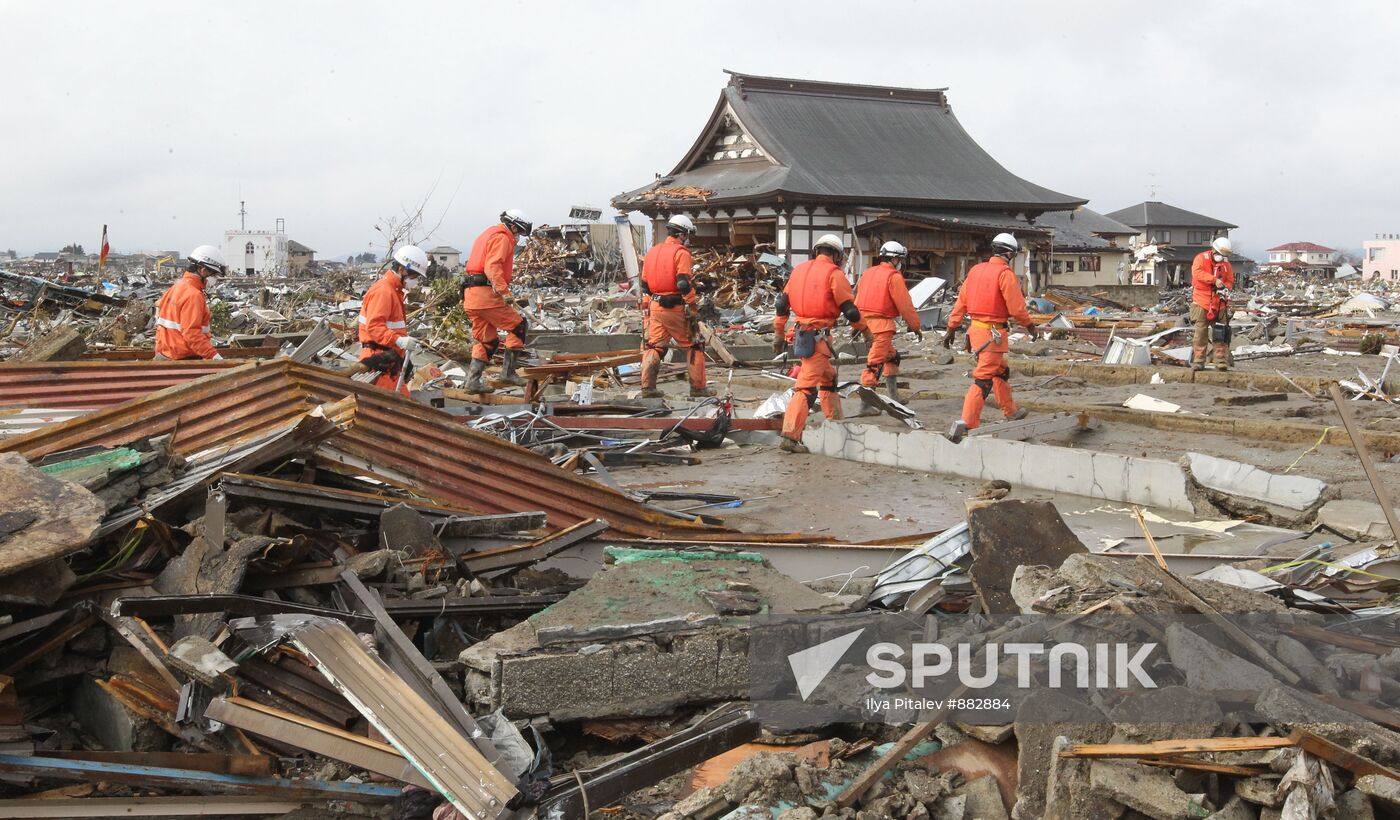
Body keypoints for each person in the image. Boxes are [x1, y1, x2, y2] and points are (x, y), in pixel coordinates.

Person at [772, 234, 866, 454]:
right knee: (805, 387)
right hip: (818, 338)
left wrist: (778, 333)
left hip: (801, 334)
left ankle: (835, 419)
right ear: (835, 255)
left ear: (817, 251)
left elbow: (781, 305)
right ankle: (790, 436)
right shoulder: (834, 274)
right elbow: (850, 310)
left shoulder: (798, 271)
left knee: (828, 376)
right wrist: (866, 330)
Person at [943, 233, 1036, 442]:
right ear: (1009, 253)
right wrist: (1030, 326)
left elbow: (961, 303)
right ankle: (968, 423)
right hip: (993, 334)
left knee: (1000, 371)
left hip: (976, 332)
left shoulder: (975, 271)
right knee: (983, 380)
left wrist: (951, 328)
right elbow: (1016, 308)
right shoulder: (1005, 274)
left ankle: (1010, 411)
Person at [639, 215, 711, 398]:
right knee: (694, 346)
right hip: (675, 308)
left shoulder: (652, 252)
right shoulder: (681, 253)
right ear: (682, 234)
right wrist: (692, 304)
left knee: (654, 347)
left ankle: (648, 388)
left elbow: (645, 285)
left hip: (655, 307)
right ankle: (698, 388)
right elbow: (683, 284)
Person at [462, 209, 533, 392]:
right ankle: (508, 373)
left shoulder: (487, 234)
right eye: (520, 232)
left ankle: (472, 381)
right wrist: (504, 292)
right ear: (514, 226)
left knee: (488, 340)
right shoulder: (502, 237)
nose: (519, 237)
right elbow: (492, 266)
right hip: (486, 296)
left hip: (471, 295)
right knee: (518, 326)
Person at [853, 240, 922, 415]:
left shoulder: (868, 273)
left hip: (865, 324)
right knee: (874, 365)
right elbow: (905, 305)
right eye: (900, 260)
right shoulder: (893, 277)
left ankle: (894, 397)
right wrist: (915, 326)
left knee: (892, 357)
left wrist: (856, 324)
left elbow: (858, 298)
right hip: (881, 326)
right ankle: (866, 405)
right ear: (895, 259)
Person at [357, 244, 428, 395]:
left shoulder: (393, 291)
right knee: (390, 411)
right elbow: (375, 327)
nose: (415, 280)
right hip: (378, 361)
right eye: (414, 276)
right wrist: (399, 341)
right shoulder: (384, 291)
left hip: (388, 359)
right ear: (402, 270)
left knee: (400, 406)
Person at [154, 245, 226, 360]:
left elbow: (160, 323)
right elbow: (192, 334)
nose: (215, 279)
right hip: (183, 360)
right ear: (203, 270)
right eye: (214, 275)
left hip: (165, 355)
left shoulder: (176, 287)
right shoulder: (194, 295)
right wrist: (214, 356)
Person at [1190, 236, 1235, 371]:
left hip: (1220, 303)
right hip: (1202, 301)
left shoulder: (1226, 266)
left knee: (1220, 333)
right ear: (1214, 250)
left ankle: (1220, 360)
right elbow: (1197, 273)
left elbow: (1230, 281)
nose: (1222, 257)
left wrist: (1225, 287)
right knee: (1201, 333)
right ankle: (1199, 361)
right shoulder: (1201, 259)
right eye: (1220, 254)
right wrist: (1214, 280)